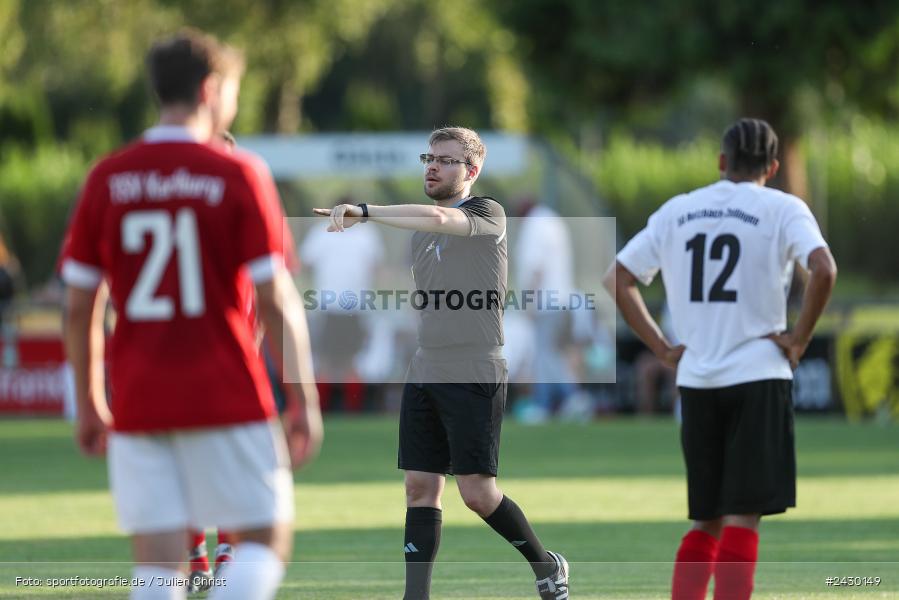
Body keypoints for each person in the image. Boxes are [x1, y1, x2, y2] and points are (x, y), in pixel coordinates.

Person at [60, 29, 322, 600]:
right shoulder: (237, 172)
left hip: (138, 395)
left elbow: (79, 305)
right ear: (210, 89)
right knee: (266, 540)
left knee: (159, 566)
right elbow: (275, 298)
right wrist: (303, 397)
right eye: (233, 90)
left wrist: (89, 400)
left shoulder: (107, 176)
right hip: (225, 389)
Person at [313, 126, 569, 600]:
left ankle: (547, 565)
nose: (432, 166)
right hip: (427, 366)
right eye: (429, 158)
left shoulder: (488, 213)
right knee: (418, 486)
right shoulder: (420, 237)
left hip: (474, 366)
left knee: (477, 494)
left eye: (446, 160)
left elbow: (436, 216)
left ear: (472, 170)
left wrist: (365, 212)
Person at [604, 118, 837, 600]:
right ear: (773, 167)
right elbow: (824, 268)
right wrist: (798, 340)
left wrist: (661, 347)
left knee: (706, 519)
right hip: (758, 374)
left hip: (697, 379)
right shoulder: (782, 207)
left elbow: (618, 279)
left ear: (721, 161)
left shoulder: (679, 210)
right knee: (742, 517)